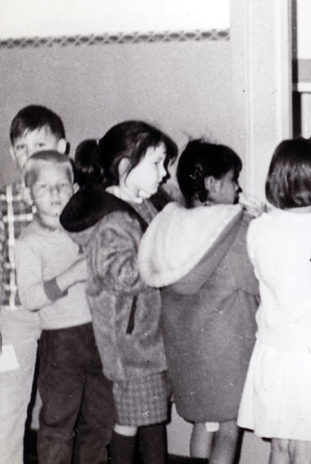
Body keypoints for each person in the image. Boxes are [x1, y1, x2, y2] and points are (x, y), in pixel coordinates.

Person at [59, 121, 177, 464]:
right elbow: (121, 276)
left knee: (138, 420)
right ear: (125, 167)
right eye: (156, 163)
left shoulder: (141, 205)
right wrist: (161, 258)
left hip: (146, 341)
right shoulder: (112, 221)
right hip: (131, 348)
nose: (165, 173)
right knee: (142, 422)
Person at [138, 139, 261, 464]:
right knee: (228, 427)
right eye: (233, 180)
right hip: (227, 349)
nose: (237, 188)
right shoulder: (234, 227)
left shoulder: (169, 224)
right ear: (212, 184)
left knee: (203, 425)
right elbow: (252, 281)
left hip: (186, 351)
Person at [237, 136, 311, 464]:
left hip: (272, 353)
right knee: (305, 451)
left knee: (280, 448)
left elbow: (280, 231)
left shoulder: (259, 229)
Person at [14, 151, 114, 463]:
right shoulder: (28, 242)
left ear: (74, 189)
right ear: (29, 193)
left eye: (62, 185)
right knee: (58, 423)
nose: (55, 193)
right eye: (44, 187)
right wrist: (70, 276)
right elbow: (29, 298)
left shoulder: (86, 228)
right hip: (60, 344)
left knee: (99, 420)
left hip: (99, 333)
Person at [0, 105, 68, 464]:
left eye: (40, 145)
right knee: (9, 403)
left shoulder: (72, 200)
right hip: (15, 315)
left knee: (64, 408)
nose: (30, 157)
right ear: (13, 154)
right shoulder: (5, 200)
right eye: (22, 148)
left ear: (62, 147)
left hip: (64, 314)